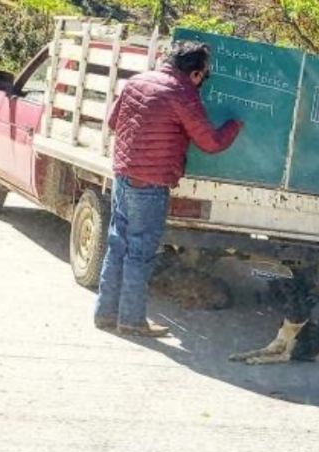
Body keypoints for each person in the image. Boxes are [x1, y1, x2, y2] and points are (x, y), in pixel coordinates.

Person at [94, 41, 243, 337]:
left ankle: (105, 314)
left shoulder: (136, 81)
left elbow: (112, 121)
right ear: (197, 74)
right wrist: (234, 126)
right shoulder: (183, 93)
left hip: (123, 175)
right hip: (151, 184)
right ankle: (132, 320)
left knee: (117, 246)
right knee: (140, 253)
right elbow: (211, 143)